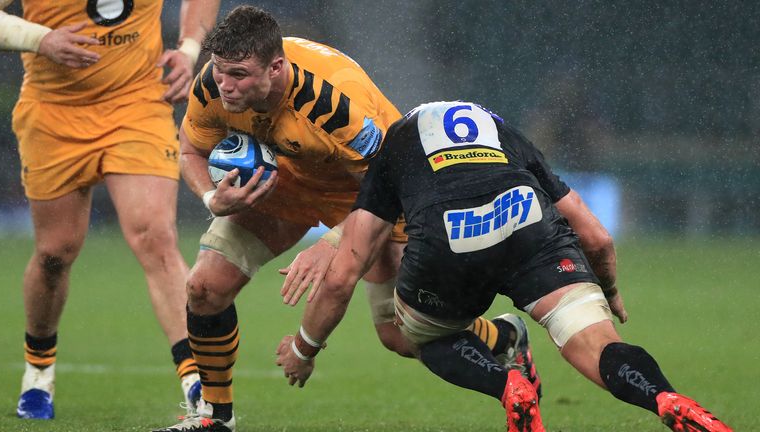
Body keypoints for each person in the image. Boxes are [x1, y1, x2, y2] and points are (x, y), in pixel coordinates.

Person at [149, 6, 536, 432]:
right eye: (221, 72)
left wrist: (332, 242)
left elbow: (388, 183)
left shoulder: (334, 103)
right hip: (285, 188)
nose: (225, 86)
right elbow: (189, 151)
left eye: (238, 75)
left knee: (402, 334)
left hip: (377, 194)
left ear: (276, 68)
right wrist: (211, 196)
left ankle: (505, 336)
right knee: (204, 288)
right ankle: (214, 418)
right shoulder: (214, 85)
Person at [275, 101, 734, 432]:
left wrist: (304, 348)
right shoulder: (507, 135)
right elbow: (596, 236)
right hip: (528, 226)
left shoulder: (396, 144)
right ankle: (664, 397)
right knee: (595, 343)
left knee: (426, 334)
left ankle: (508, 383)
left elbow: (343, 274)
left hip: (448, 240)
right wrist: (607, 289)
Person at [0, 0, 220, 420]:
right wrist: (40, 39)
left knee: (156, 237)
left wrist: (189, 50)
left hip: (136, 104)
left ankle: (197, 381)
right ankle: (38, 373)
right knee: (55, 253)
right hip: (53, 112)